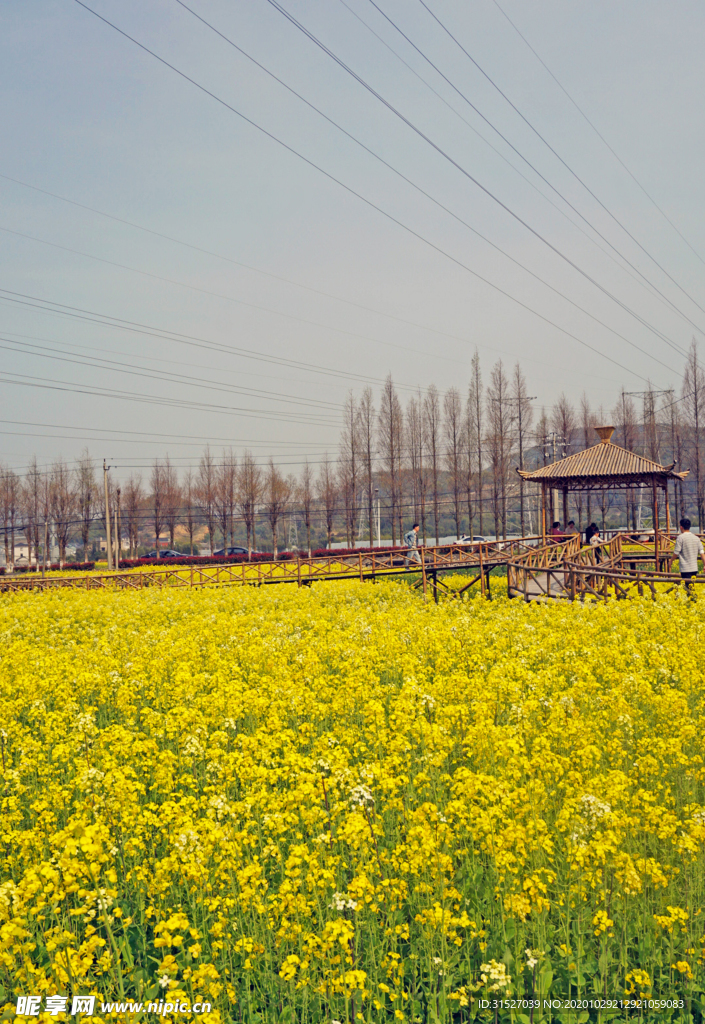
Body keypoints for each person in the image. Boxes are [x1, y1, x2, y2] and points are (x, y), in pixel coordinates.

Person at [673, 517, 703, 593]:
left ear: (681, 527)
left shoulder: (680, 538)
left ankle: (691, 600)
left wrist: (670, 561)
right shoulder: (696, 538)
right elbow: (702, 552)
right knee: (691, 587)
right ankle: (692, 601)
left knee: (687, 588)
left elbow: (676, 552)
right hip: (694, 568)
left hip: (685, 568)